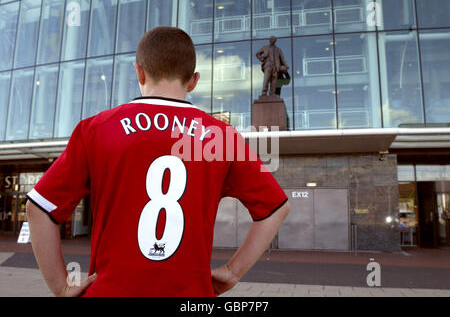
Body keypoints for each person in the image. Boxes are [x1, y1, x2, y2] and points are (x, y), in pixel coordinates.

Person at [26, 26, 290, 297]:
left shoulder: (96, 129)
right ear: (193, 81)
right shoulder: (221, 137)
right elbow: (276, 208)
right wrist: (234, 271)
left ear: (139, 71)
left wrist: (60, 286)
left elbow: (39, 208)